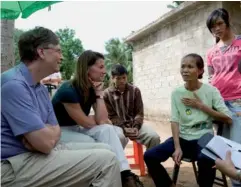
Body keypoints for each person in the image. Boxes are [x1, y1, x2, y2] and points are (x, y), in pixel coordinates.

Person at [1, 27, 122, 187]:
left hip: (37, 153)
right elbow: (45, 143)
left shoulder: (41, 89)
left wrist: (44, 135)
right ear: (41, 52)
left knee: (107, 148)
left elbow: (54, 131)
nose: (62, 57)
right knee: (107, 161)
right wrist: (44, 135)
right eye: (58, 51)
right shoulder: (14, 85)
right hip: (14, 164)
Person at [52, 50, 144, 187]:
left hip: (77, 129)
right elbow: (86, 122)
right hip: (59, 132)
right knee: (99, 142)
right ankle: (115, 176)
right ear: (86, 69)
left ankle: (124, 173)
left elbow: (102, 121)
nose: (104, 71)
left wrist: (99, 94)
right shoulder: (68, 90)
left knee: (114, 132)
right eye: (100, 67)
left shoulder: (92, 89)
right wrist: (92, 119)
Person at [144, 53, 232, 187]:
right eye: (183, 66)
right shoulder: (176, 93)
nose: (185, 70)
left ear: (200, 70)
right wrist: (177, 147)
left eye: (190, 67)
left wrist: (201, 106)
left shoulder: (211, 91)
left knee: (206, 159)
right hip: (183, 138)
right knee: (150, 156)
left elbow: (227, 118)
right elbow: (175, 120)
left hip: (204, 137)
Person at [206, 8, 241, 187]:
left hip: (237, 103)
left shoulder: (240, 44)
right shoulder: (211, 52)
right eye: (213, 27)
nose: (217, 29)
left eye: (219, 24)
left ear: (227, 22)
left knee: (237, 147)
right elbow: (211, 77)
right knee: (222, 146)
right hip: (218, 104)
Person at [103, 64, 160, 149]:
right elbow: (111, 116)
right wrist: (123, 128)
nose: (122, 81)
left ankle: (151, 160)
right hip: (117, 127)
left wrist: (136, 127)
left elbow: (139, 112)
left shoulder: (135, 90)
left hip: (135, 125)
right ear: (112, 78)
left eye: (124, 78)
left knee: (154, 137)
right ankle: (118, 162)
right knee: (118, 139)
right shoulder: (106, 94)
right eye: (118, 78)